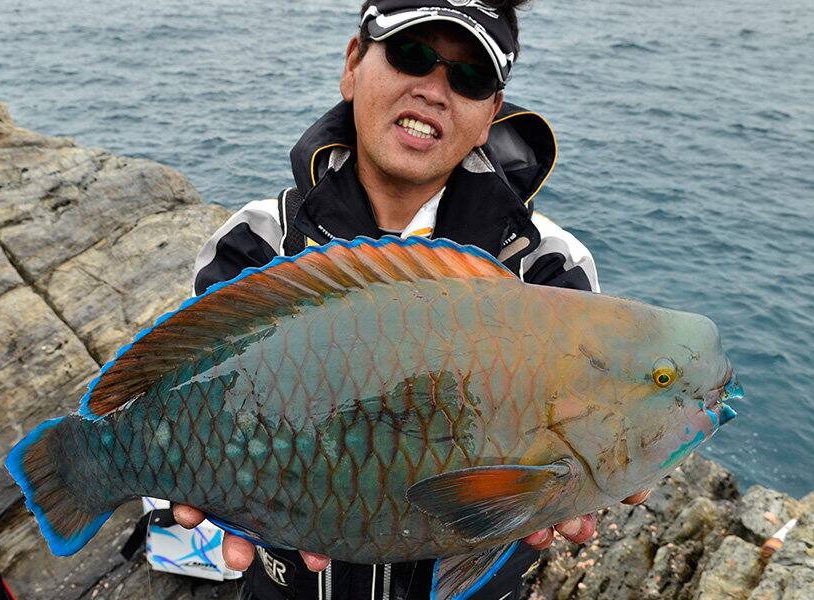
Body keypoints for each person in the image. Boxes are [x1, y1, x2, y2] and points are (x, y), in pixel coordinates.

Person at [172, 1, 650, 598]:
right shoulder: (258, 243)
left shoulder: (547, 268)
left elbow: (587, 425)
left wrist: (613, 462)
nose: (434, 90)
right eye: (411, 55)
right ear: (353, 64)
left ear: (491, 112)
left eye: (470, 77)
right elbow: (190, 397)